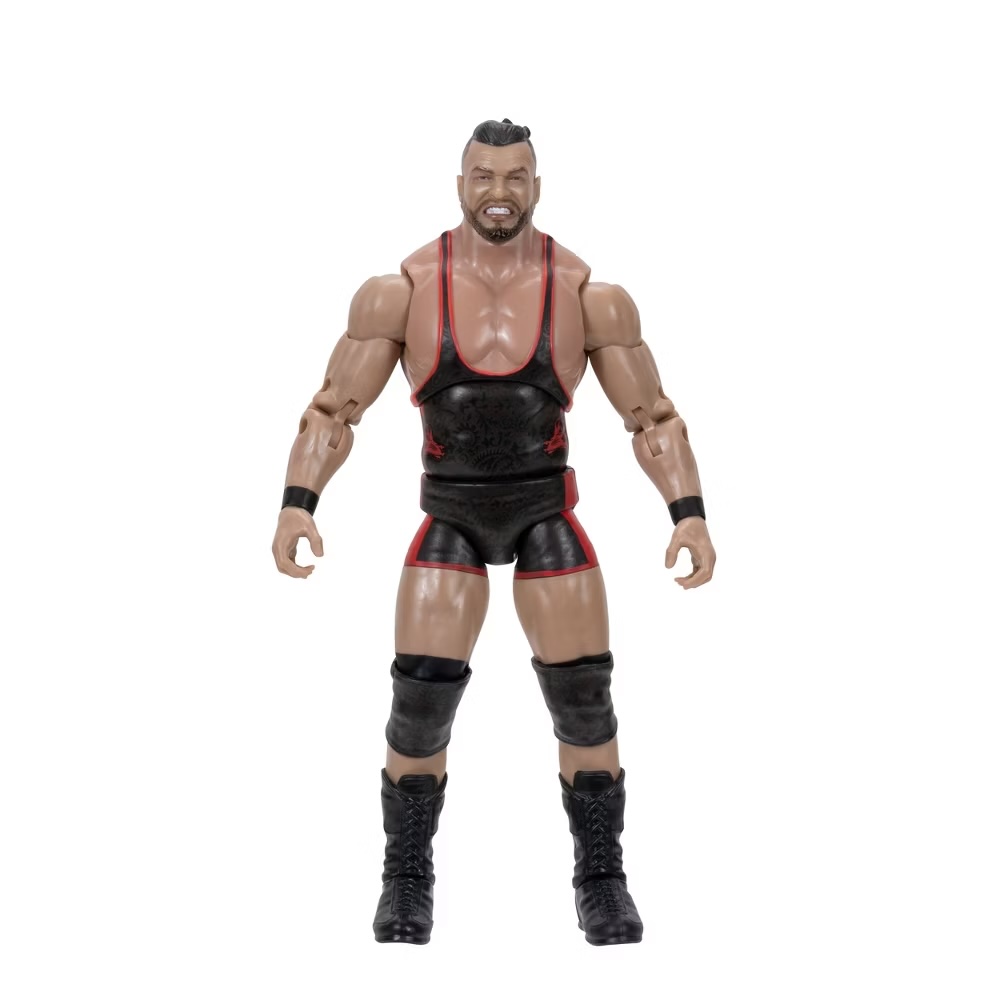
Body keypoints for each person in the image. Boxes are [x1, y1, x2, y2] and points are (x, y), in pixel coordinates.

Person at [271, 118, 716, 946]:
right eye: (484, 177)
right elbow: (334, 408)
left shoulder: (587, 296)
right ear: (461, 185)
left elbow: (652, 417)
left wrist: (686, 514)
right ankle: (406, 879)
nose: (500, 193)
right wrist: (300, 501)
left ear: (536, 187)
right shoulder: (402, 292)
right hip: (452, 518)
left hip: (546, 514)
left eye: (515, 178)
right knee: (418, 707)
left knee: (586, 705)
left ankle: (602, 880)